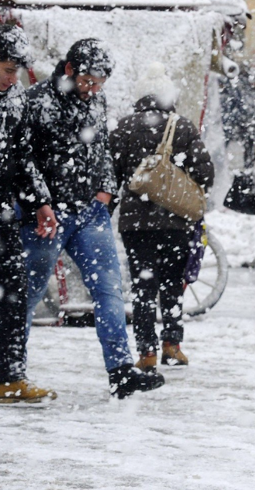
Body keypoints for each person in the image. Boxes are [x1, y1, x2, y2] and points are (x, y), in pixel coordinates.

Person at [22, 38, 165, 399]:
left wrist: (106, 190)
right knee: (27, 292)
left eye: (100, 83)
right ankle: (10, 370)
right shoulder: (37, 101)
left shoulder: (97, 100)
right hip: (47, 213)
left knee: (109, 289)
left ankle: (121, 371)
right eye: (88, 81)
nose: (93, 89)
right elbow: (23, 159)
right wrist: (40, 202)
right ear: (70, 69)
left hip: (89, 211)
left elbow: (101, 148)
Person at [110, 62, 214, 372]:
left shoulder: (124, 127)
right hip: (175, 221)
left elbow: (110, 175)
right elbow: (205, 173)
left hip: (135, 223)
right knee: (171, 283)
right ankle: (172, 344)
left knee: (143, 287)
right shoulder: (182, 126)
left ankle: (146, 353)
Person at [0, 25, 58, 404]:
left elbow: (22, 157)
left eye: (17, 71)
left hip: (4, 210)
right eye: (8, 70)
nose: (13, 78)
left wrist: (40, 202)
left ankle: (10, 378)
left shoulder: (15, 98)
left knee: (13, 292)